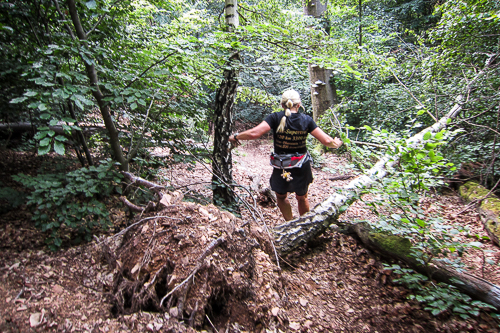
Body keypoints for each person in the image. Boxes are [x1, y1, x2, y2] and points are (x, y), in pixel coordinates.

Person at [229, 89, 343, 221]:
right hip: (301, 166)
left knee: (281, 197)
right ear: (299, 104)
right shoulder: (306, 120)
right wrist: (337, 143)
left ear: (282, 105)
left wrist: (236, 136)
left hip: (281, 167)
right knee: (302, 197)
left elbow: (255, 133)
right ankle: (304, 226)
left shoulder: (275, 118)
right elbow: (327, 141)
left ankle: (290, 223)